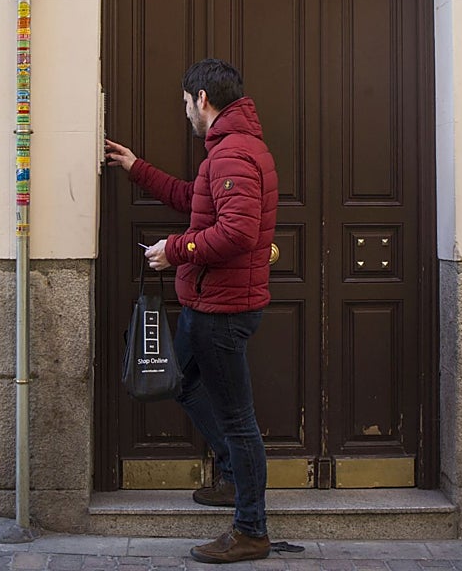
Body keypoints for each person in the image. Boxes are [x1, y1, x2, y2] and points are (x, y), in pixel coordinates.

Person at [105, 58, 278, 564]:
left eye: (185, 103)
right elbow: (194, 200)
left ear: (203, 99)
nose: (185, 113)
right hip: (212, 303)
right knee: (181, 381)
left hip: (222, 310)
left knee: (239, 420)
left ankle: (251, 528)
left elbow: (238, 233)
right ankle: (230, 474)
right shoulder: (232, 150)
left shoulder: (231, 154)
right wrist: (138, 168)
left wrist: (174, 251)